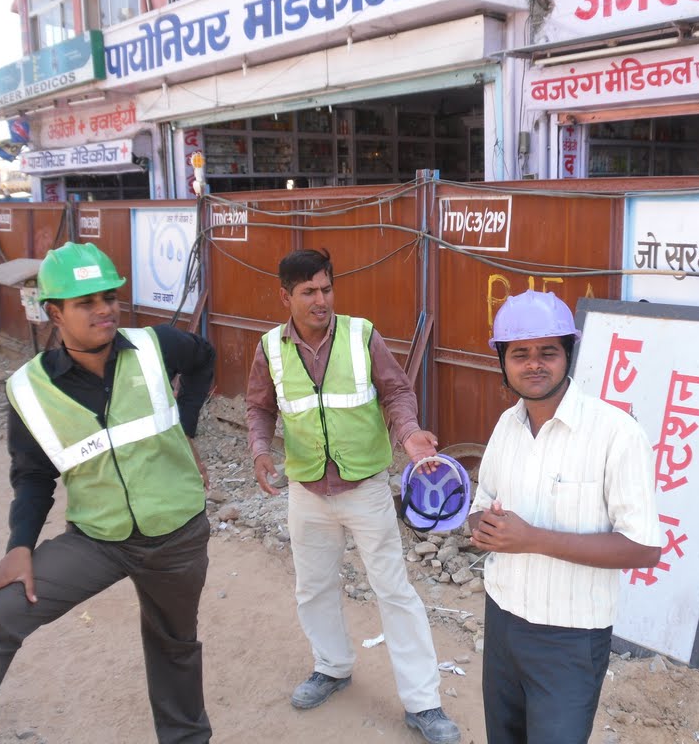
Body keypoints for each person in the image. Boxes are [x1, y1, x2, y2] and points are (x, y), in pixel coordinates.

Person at [0, 242, 217, 744]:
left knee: (174, 646)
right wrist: (19, 547)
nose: (104, 309)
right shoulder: (29, 389)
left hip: (178, 535)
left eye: (109, 296)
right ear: (55, 313)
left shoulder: (158, 346)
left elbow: (203, 358)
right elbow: (32, 475)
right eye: (86, 302)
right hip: (97, 540)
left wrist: (187, 428)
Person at [245, 249, 461, 744]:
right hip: (307, 492)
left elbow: (397, 392)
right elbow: (259, 407)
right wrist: (259, 449)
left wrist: (409, 436)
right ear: (286, 296)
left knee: (394, 591)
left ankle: (424, 703)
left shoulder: (362, 335)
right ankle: (332, 666)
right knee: (313, 586)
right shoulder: (269, 349)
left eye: (326, 289)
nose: (321, 300)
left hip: (365, 489)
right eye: (308, 292)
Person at [468, 290, 662, 744]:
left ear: (568, 356)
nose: (534, 364)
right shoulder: (506, 427)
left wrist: (531, 538)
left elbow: (644, 547)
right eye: (520, 354)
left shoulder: (616, 434)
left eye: (547, 352)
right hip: (502, 623)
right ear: (503, 362)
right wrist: (484, 529)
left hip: (570, 638)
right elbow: (481, 507)